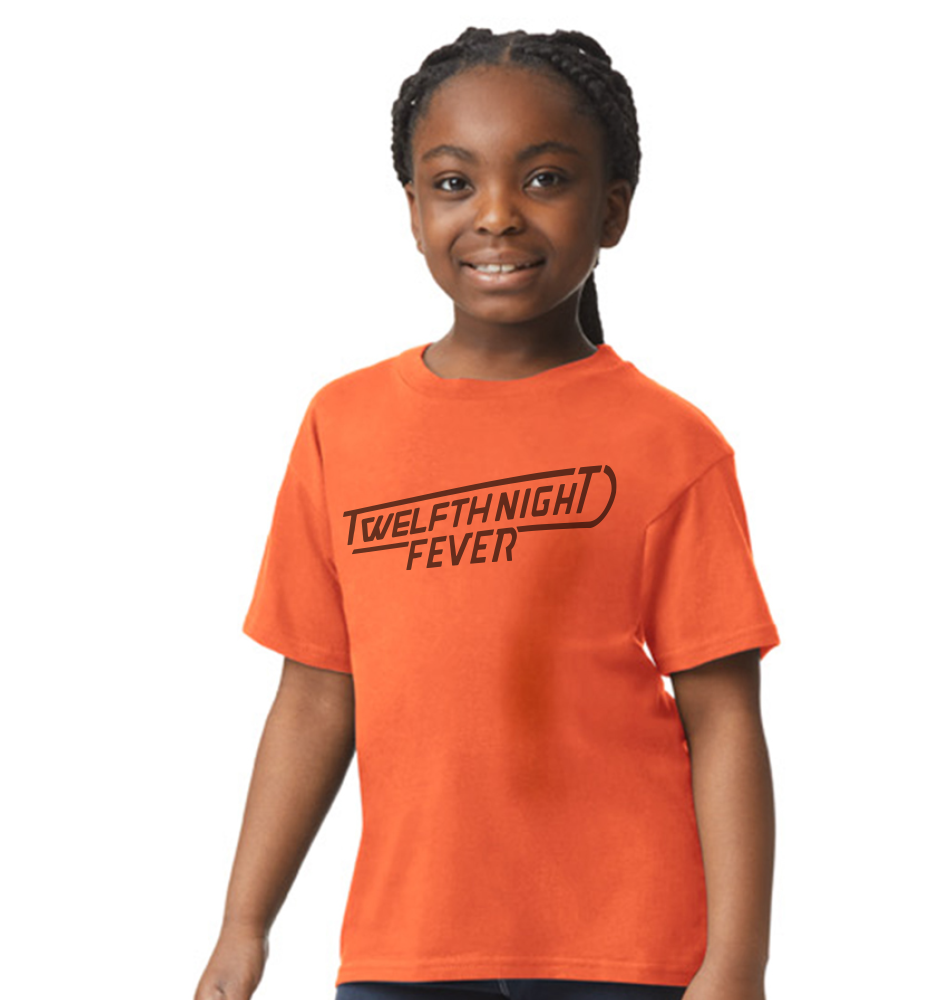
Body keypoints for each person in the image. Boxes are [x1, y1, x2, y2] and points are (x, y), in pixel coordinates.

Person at [194, 27, 781, 1000]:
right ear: (414, 208)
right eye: (455, 183)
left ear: (612, 209)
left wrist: (737, 963)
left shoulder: (669, 442)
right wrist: (242, 925)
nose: (497, 215)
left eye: (545, 179)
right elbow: (315, 695)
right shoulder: (343, 425)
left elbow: (722, 716)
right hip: (406, 948)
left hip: (626, 952)